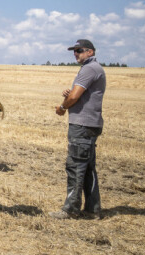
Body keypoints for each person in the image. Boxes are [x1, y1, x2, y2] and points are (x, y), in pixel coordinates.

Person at [50, 39, 106, 220]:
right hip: (91, 123)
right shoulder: (94, 68)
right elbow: (78, 94)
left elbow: (75, 96)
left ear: (90, 52)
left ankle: (71, 209)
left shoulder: (89, 69)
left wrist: (62, 107)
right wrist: (72, 95)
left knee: (75, 167)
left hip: (82, 125)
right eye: (74, 51)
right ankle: (92, 209)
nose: (76, 53)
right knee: (88, 168)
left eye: (79, 50)